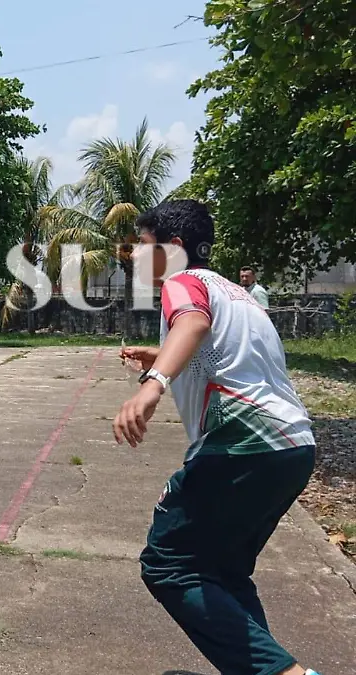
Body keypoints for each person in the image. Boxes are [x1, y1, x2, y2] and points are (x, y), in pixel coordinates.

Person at [115, 200, 321, 675]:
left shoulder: (182, 283)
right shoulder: (235, 292)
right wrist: (157, 355)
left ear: (174, 248)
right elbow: (226, 352)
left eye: (144, 247)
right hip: (292, 444)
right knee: (225, 573)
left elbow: (194, 324)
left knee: (168, 562)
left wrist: (152, 387)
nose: (136, 258)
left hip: (242, 441)